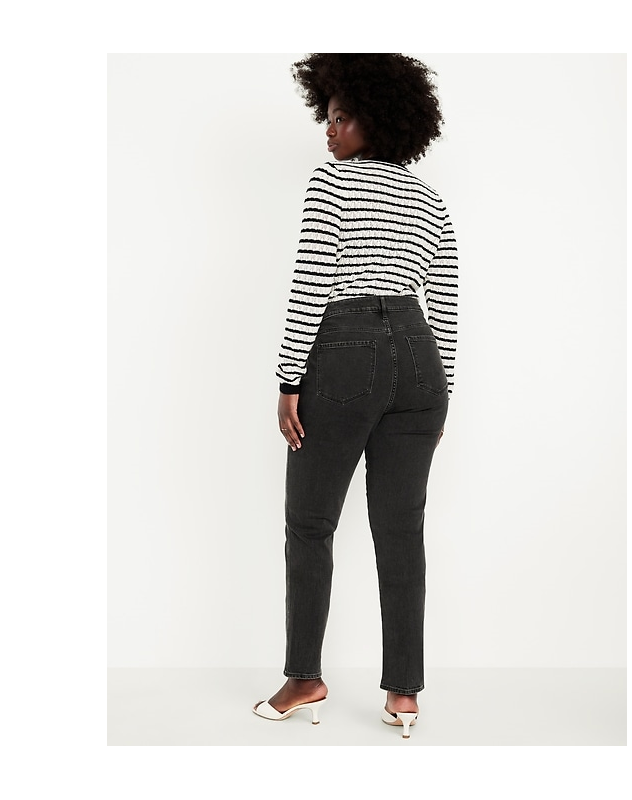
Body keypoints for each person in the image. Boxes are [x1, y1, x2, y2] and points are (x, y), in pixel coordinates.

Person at [253, 53, 458, 739]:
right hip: (420, 359)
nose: (330, 130)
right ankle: (404, 693)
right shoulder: (429, 199)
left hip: (345, 351)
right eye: (329, 117)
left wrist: (289, 379)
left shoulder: (332, 182)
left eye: (341, 118)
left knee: (310, 523)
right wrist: (442, 393)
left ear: (378, 120)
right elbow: (445, 302)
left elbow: (312, 280)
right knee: (401, 530)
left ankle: (304, 679)